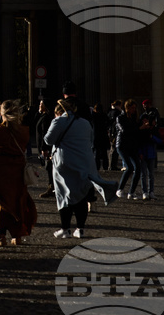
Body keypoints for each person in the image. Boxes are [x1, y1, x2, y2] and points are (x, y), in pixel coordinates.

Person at [45, 99, 118, 239]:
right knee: (81, 195)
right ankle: (80, 229)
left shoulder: (58, 121)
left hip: (64, 163)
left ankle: (65, 229)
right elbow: (90, 140)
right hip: (84, 163)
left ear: (59, 111)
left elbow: (48, 140)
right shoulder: (85, 123)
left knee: (63, 195)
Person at [0, 100, 37, 246]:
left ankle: (0, 236)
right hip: (17, 172)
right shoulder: (23, 131)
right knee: (16, 202)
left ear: (1, 113)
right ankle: (16, 235)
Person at [115, 99, 142, 199]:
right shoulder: (120, 118)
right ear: (127, 108)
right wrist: (138, 128)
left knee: (138, 168)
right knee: (130, 167)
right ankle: (120, 189)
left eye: (135, 108)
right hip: (122, 145)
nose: (134, 110)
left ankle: (131, 192)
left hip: (132, 146)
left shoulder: (134, 118)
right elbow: (124, 130)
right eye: (132, 108)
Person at [138, 112, 161, 200]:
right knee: (144, 174)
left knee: (150, 174)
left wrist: (152, 137)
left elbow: (159, 141)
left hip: (150, 154)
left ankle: (150, 191)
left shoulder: (153, 130)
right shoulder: (142, 130)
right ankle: (145, 192)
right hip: (145, 153)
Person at [36, 100, 56, 198]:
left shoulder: (46, 118)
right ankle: (51, 186)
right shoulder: (43, 116)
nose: (39, 105)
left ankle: (51, 187)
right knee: (49, 167)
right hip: (44, 146)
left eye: (41, 104)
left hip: (46, 147)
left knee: (49, 167)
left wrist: (44, 148)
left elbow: (45, 133)